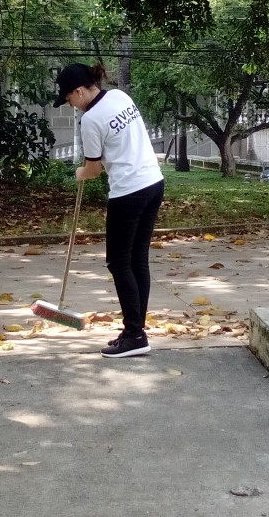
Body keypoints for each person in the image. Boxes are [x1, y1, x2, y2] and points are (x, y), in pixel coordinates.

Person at [54, 63, 164, 358]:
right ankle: (135, 331)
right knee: (137, 260)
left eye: (68, 99)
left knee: (118, 262)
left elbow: (93, 169)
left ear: (79, 91)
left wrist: (79, 173)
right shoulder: (120, 97)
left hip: (128, 191)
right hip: (154, 182)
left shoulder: (90, 120)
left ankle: (135, 335)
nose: (70, 105)